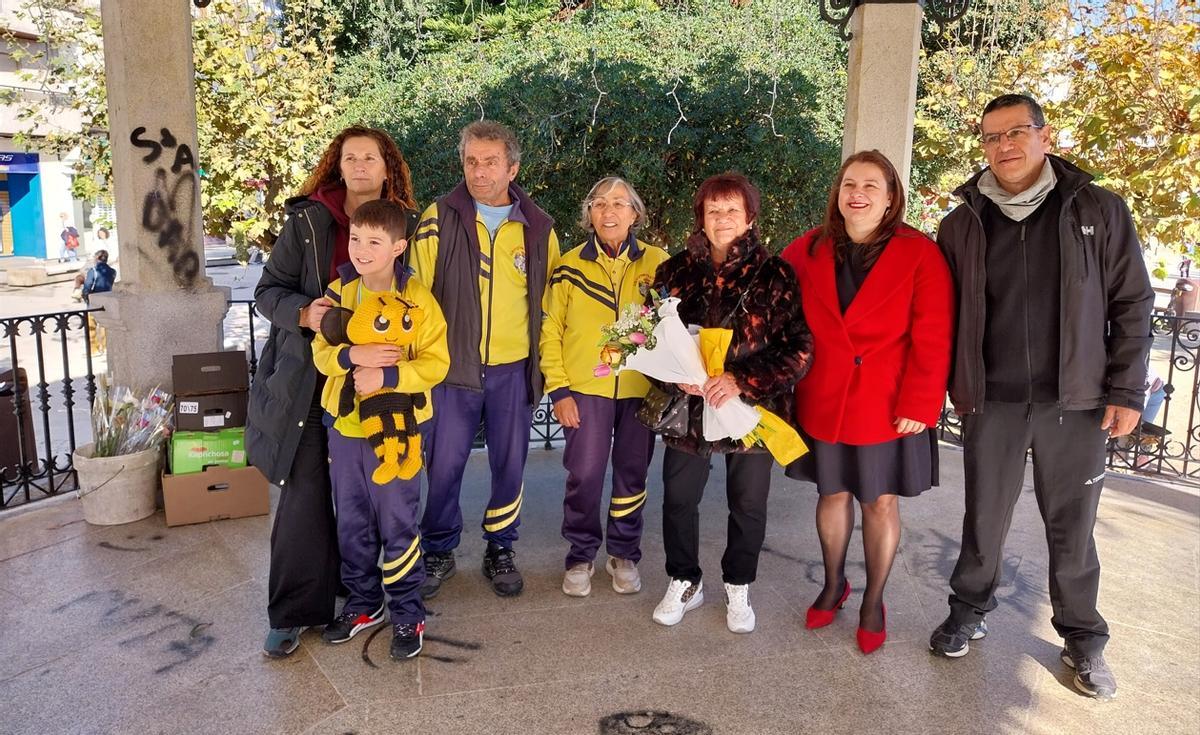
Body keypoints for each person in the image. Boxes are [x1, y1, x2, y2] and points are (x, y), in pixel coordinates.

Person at [929, 94, 1153, 700]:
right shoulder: (962, 223)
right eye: (991, 137)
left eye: (1017, 132)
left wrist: (1126, 389)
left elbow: (1132, 302)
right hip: (992, 401)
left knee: (1073, 527)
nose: (1005, 146)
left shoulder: (1097, 210)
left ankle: (1083, 638)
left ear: (1045, 136)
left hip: (1074, 403)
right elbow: (940, 316)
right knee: (984, 518)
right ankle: (969, 610)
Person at [246, 126, 417, 658]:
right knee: (305, 494)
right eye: (351, 157)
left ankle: (368, 594)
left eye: (372, 157)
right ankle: (295, 610)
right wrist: (301, 312)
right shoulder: (307, 221)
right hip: (309, 379)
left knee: (372, 494)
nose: (361, 165)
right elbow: (266, 290)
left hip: (380, 382)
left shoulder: (410, 224)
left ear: (388, 167)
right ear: (337, 166)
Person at [782, 150, 953, 654]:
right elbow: (769, 303)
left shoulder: (919, 252)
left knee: (879, 501)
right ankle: (834, 584)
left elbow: (934, 334)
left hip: (887, 402)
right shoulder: (806, 249)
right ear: (837, 193)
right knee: (830, 494)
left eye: (870, 186)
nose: (857, 193)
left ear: (890, 197)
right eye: (849, 183)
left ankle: (873, 600)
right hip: (824, 396)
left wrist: (922, 403)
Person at [648, 172, 813, 633]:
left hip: (751, 408)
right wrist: (673, 376)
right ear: (700, 216)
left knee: (748, 502)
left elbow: (798, 348)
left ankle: (738, 583)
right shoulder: (674, 271)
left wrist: (742, 380)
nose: (722, 219)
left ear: (750, 217)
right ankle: (684, 580)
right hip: (690, 409)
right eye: (713, 210)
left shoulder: (776, 274)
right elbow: (645, 339)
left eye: (732, 211)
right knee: (679, 499)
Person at [410, 121, 560, 599]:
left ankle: (501, 547)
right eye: (472, 160)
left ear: (512, 167)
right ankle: (438, 548)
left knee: (510, 465)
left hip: (513, 370)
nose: (479, 171)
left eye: (491, 162)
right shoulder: (439, 217)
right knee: (445, 463)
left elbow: (554, 304)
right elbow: (414, 296)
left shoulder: (538, 227)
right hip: (451, 371)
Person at [312, 200, 449, 660]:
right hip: (347, 427)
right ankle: (364, 603)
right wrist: (354, 356)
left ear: (398, 247)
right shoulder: (337, 293)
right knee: (352, 518)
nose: (361, 249)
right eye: (355, 239)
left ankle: (408, 609)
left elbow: (436, 363)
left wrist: (388, 377)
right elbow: (321, 355)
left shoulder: (420, 299)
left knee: (397, 519)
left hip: (402, 429)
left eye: (374, 241)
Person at [540, 177, 669, 597]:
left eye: (618, 203)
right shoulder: (569, 265)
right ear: (588, 215)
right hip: (584, 391)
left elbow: (670, 329)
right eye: (598, 204)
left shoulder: (658, 262)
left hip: (640, 390)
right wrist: (559, 390)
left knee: (633, 474)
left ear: (635, 212)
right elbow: (550, 329)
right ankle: (580, 555)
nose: (607, 212)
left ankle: (624, 553)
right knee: (585, 474)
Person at [81, 250, 117, 356]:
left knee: (91, 325)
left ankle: (94, 349)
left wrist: (85, 297)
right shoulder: (113, 271)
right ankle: (106, 347)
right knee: (104, 325)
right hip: (108, 300)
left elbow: (87, 286)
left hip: (94, 301)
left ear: (97, 258)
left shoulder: (93, 271)